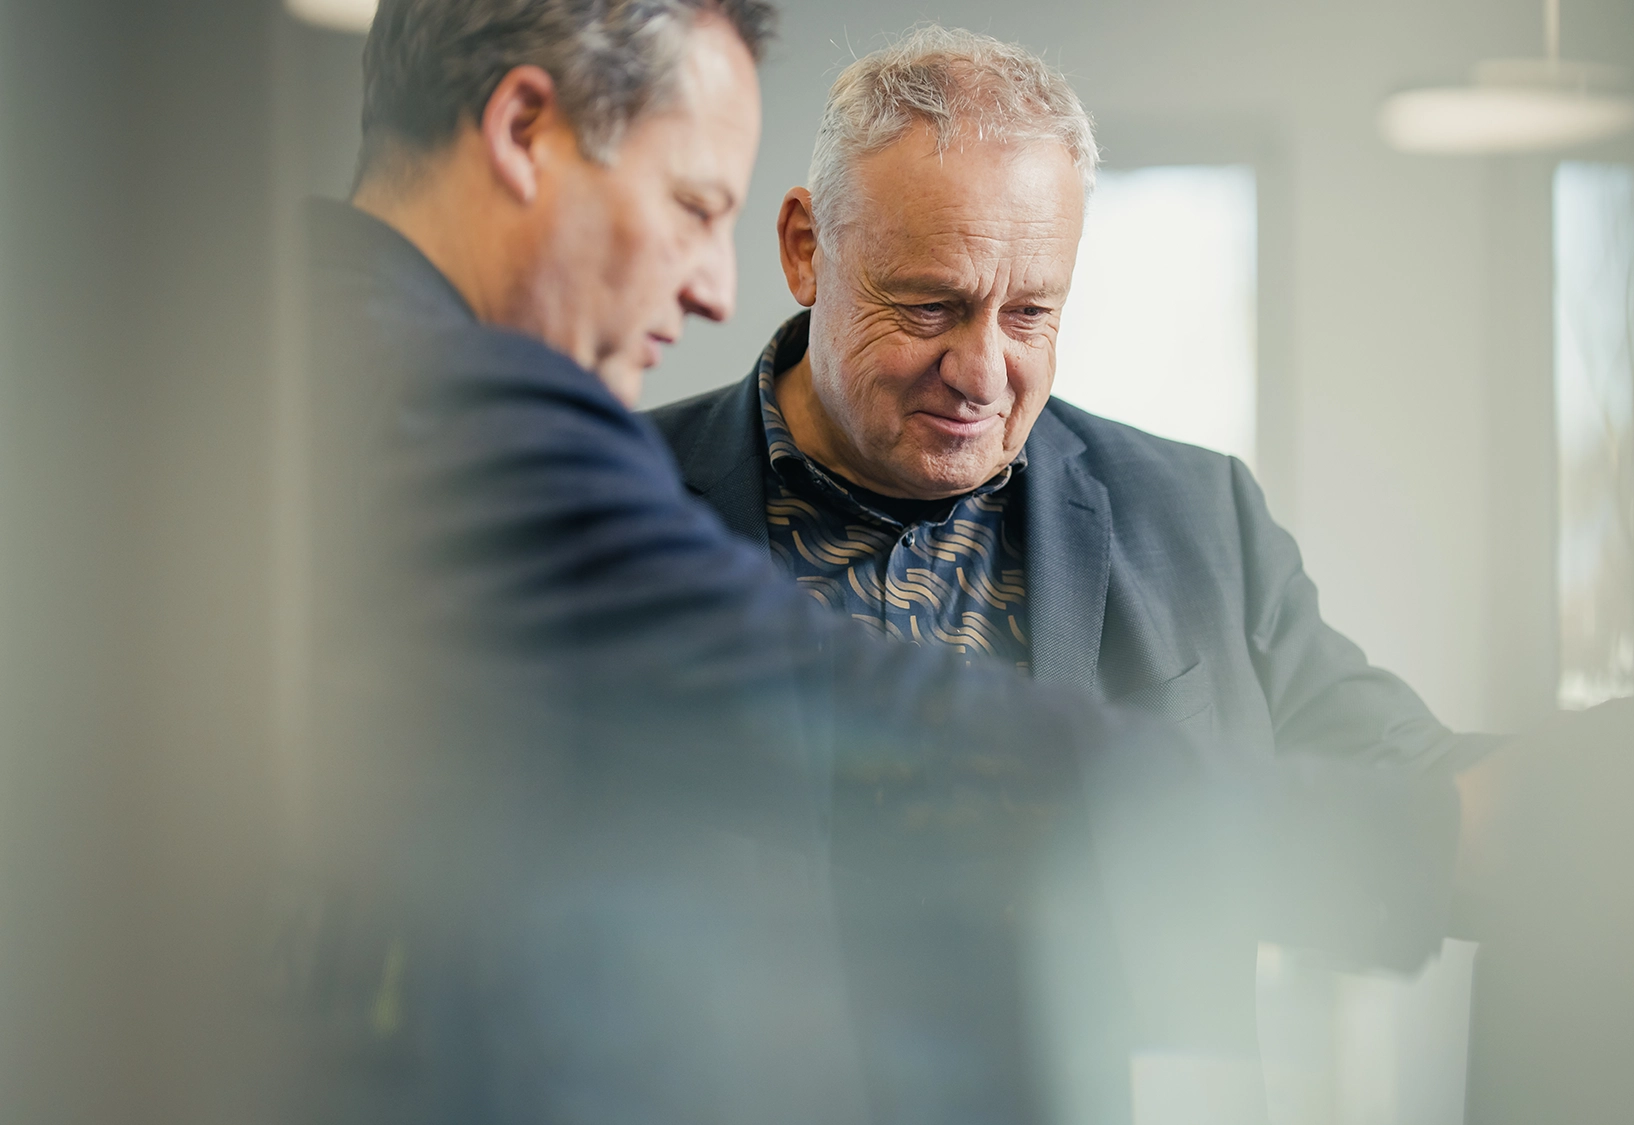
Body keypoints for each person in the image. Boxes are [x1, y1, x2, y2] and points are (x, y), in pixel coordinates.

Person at [291, 4, 1221, 1123]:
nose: (709, 290)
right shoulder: (458, 411)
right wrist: (1375, 841)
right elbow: (840, 689)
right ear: (523, 129)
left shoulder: (259, 337)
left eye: (1030, 311)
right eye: (691, 207)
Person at [648, 24, 1496, 1118]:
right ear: (806, 248)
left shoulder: (1197, 518)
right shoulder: (606, 496)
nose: (981, 371)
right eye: (930, 306)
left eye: (1030, 313)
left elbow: (1408, 776)